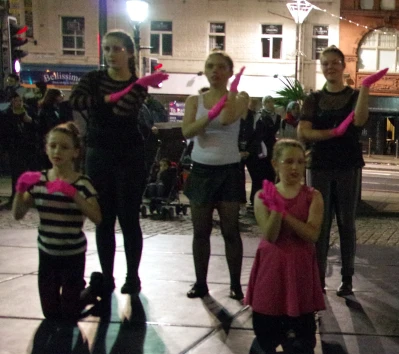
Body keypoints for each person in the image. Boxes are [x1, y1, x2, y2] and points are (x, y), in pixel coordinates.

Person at [70, 30, 164, 296]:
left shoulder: (139, 85)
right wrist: (106, 99)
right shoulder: (94, 78)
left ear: (130, 53)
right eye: (107, 49)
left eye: (117, 49)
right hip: (98, 152)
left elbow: (121, 111)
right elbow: (75, 101)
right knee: (103, 218)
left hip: (128, 153)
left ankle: (132, 276)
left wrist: (103, 103)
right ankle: (107, 276)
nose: (111, 54)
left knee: (128, 217)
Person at [298, 46, 384, 297]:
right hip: (319, 166)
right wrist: (332, 133)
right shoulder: (313, 99)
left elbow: (359, 121)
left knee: (347, 223)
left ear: (343, 65)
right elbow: (303, 132)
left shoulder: (356, 95)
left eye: (334, 63)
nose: (330, 67)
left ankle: (347, 278)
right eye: (325, 64)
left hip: (348, 166)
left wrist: (366, 88)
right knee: (320, 224)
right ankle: (318, 278)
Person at [244, 140, 326, 354]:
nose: (295, 168)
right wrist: (277, 211)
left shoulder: (313, 196)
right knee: (266, 336)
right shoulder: (262, 197)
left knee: (303, 341)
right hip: (273, 267)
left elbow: (312, 234)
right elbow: (270, 235)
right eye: (289, 161)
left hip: (299, 267)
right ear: (275, 164)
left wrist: (283, 212)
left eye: (300, 162)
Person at [12, 123, 102, 320]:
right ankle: (85, 291)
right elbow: (18, 215)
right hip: (47, 254)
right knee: (50, 313)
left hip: (73, 254)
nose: (57, 151)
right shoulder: (39, 181)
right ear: (46, 149)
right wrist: (20, 190)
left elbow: (97, 217)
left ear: (75, 152)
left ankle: (90, 291)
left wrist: (74, 195)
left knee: (70, 313)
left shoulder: (82, 183)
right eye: (52, 146)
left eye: (64, 147)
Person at [180, 51, 250, 300]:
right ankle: (200, 282)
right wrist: (208, 115)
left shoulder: (240, 97)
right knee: (201, 231)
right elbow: (187, 131)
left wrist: (228, 95)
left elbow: (229, 117)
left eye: (221, 67)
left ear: (230, 72)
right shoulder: (193, 101)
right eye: (210, 66)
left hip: (229, 170)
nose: (215, 71)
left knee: (231, 230)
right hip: (201, 170)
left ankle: (235, 284)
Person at [245, 96, 279, 207]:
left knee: (269, 174)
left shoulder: (274, 117)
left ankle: (266, 199)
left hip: (269, 148)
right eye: (267, 102)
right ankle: (256, 200)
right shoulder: (259, 116)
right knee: (259, 176)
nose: (270, 104)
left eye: (271, 101)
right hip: (259, 150)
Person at [2, 94, 37, 198]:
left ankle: (28, 195)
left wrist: (30, 121)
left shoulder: (28, 111)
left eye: (20, 100)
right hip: (14, 146)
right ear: (12, 101)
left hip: (28, 146)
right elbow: (4, 132)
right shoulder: (6, 114)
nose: (19, 103)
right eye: (16, 100)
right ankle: (16, 195)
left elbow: (37, 127)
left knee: (29, 172)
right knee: (16, 173)